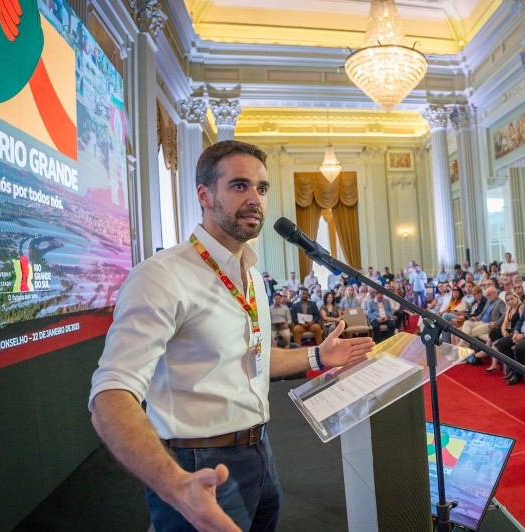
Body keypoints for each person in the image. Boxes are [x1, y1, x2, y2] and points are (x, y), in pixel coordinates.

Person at [88, 141, 374, 531]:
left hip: (259, 452)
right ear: (204, 195)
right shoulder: (161, 276)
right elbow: (109, 396)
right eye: (239, 186)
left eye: (262, 188)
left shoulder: (251, 273)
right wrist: (174, 486)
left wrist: (318, 357)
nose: (255, 198)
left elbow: (250, 356)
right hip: (196, 465)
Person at [485, 292, 522, 373]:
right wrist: (503, 330)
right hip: (510, 330)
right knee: (493, 332)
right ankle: (497, 364)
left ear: (516, 297)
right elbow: (505, 322)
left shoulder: (520, 307)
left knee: (496, 343)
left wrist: (515, 332)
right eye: (508, 300)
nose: (510, 301)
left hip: (518, 332)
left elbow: (522, 322)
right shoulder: (509, 308)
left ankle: (508, 365)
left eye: (512, 299)